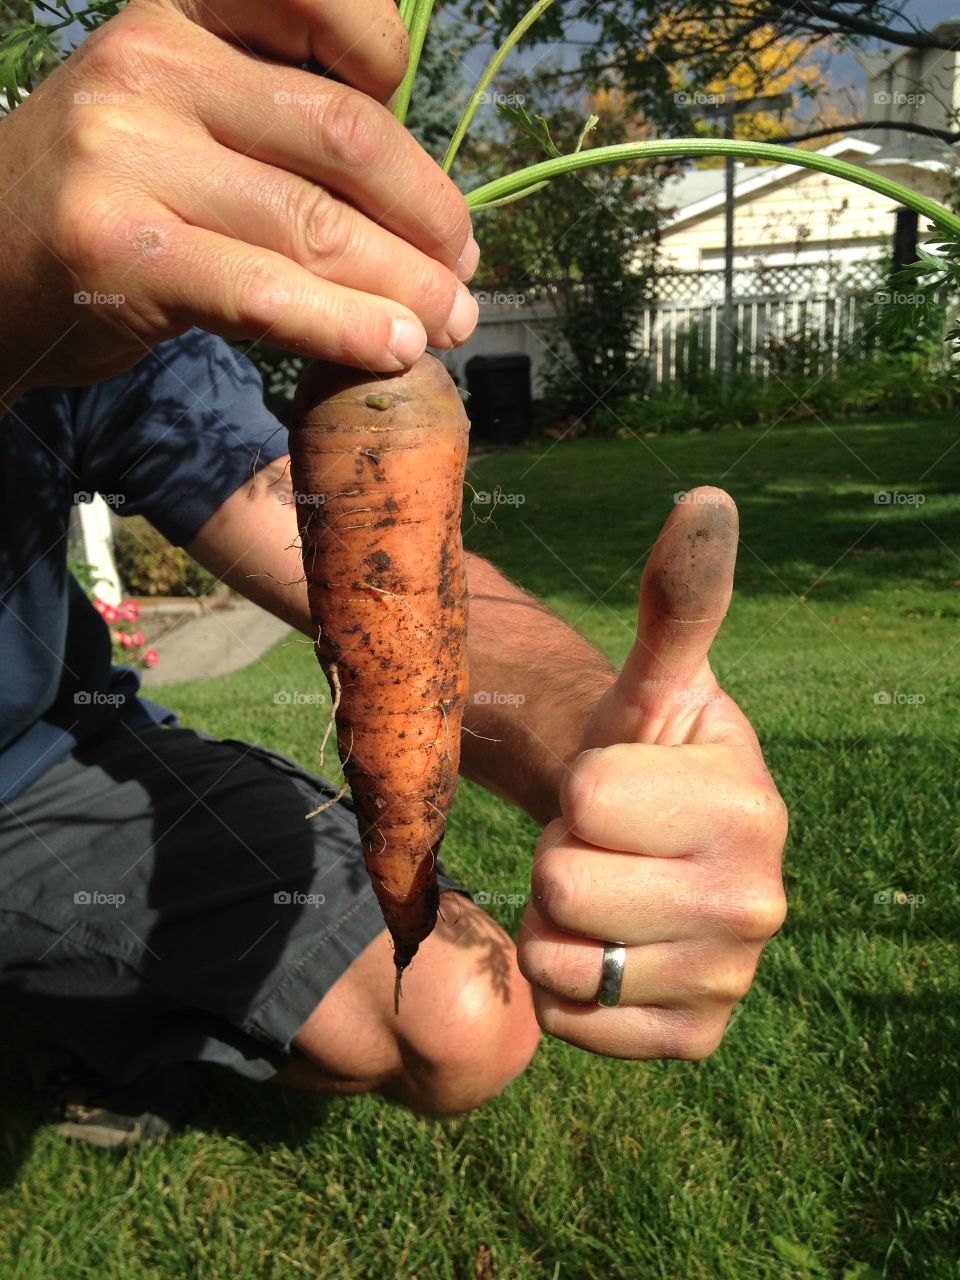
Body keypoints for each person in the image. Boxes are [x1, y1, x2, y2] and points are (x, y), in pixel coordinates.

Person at [0, 0, 787, 1145]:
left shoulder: (86, 304)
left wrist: (597, 741)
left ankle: (89, 1007)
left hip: (54, 753)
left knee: (462, 1012)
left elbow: (292, 515)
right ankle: (80, 1009)